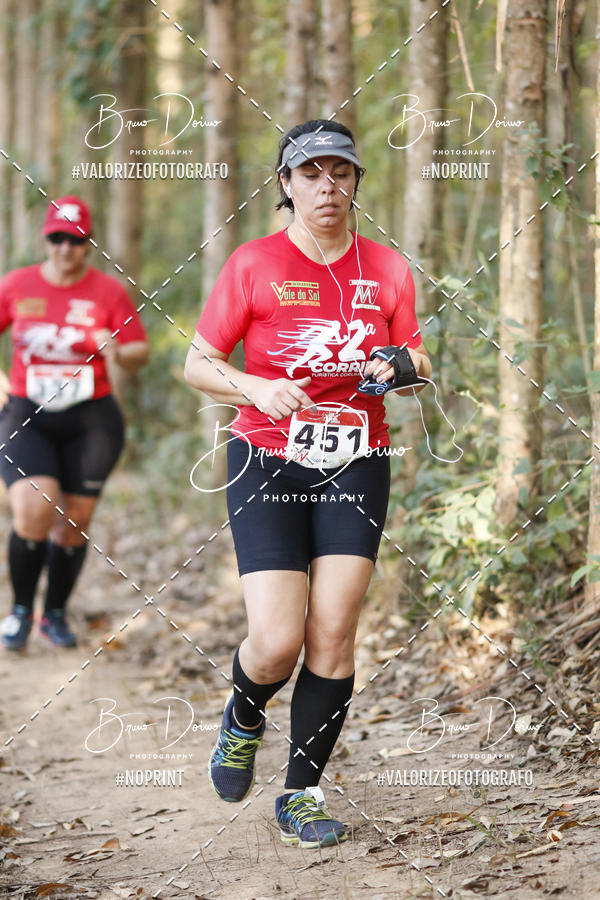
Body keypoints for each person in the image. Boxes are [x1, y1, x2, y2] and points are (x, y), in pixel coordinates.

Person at [184, 120, 431, 848]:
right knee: (275, 641)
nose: (328, 187)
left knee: (333, 632)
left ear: (356, 183)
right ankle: (243, 716)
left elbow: (417, 360)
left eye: (341, 173)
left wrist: (402, 367)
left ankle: (301, 793)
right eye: (312, 174)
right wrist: (257, 388)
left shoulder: (387, 268)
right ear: (286, 185)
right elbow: (198, 363)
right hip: (267, 457)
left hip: (357, 458)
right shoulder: (254, 264)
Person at [0, 195, 149, 650]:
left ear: (89, 244)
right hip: (27, 413)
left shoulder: (108, 292)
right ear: (46, 239)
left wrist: (117, 350)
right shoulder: (17, 285)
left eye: (77, 240)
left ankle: (55, 613)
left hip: (91, 419)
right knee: (34, 509)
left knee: (74, 519)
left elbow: (140, 351)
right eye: (58, 238)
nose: (66, 248)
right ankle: (20, 612)